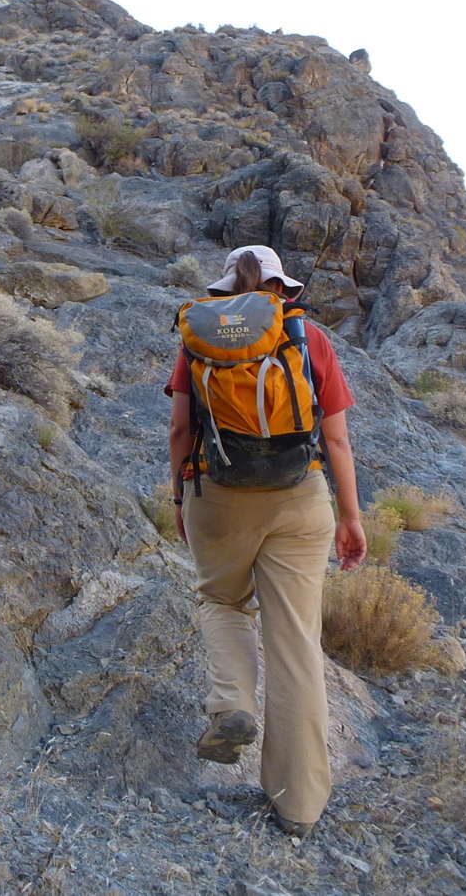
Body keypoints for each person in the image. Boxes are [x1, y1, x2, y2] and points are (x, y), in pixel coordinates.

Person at [166, 244, 367, 838]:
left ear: (226, 289)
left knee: (222, 601)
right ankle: (298, 806)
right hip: (299, 498)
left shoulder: (197, 339)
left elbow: (180, 429)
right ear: (284, 288)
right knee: (296, 643)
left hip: (217, 493)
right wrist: (350, 517)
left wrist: (179, 499)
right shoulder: (309, 338)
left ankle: (231, 705)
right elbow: (336, 441)